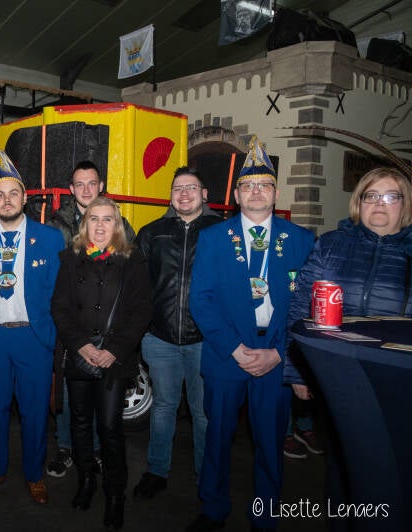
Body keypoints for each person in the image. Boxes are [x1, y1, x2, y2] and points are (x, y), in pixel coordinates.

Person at [186, 136, 314, 531]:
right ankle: (213, 508)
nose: (256, 192)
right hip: (227, 356)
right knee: (217, 438)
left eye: (264, 186)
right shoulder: (212, 238)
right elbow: (201, 300)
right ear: (237, 195)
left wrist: (280, 354)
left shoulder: (302, 241)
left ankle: (266, 513)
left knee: (270, 443)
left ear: (275, 193)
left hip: (277, 357)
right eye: (248, 186)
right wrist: (236, 350)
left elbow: (306, 308)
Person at [284, 167, 412, 506]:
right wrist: (297, 370)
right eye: (371, 196)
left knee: (396, 469)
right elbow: (300, 307)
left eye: (390, 196)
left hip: (399, 379)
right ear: (359, 203)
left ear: (405, 204)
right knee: (344, 466)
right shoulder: (330, 245)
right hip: (340, 376)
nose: (380, 204)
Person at [0, 151, 64, 504]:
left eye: (14, 194)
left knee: (35, 411)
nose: (7, 201)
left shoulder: (50, 240)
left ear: (25, 198)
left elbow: (59, 294)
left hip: (32, 337)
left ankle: (35, 475)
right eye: (1, 195)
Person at [51, 197, 152, 530]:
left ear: (117, 224)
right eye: (94, 219)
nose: (99, 225)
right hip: (80, 355)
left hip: (114, 359)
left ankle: (114, 494)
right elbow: (60, 308)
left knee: (109, 428)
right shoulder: (70, 259)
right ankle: (86, 482)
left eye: (107, 219)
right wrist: (80, 345)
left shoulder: (133, 260)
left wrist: (115, 350)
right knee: (80, 423)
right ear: (84, 224)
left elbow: (141, 312)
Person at [133, 166, 221, 499]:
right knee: (164, 407)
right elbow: (138, 287)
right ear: (170, 196)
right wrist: (142, 331)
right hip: (160, 338)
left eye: (191, 188)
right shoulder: (151, 232)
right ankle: (157, 470)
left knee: (203, 412)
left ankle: (206, 475)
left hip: (207, 340)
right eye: (177, 189)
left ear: (204, 194)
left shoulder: (222, 232)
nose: (183, 194)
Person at [46, 160, 135, 479]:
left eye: (91, 183)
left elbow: (133, 283)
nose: (86, 189)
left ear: (101, 186)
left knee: (104, 403)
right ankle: (67, 449)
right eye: (79, 184)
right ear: (71, 190)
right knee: (71, 395)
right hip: (72, 324)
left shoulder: (121, 224)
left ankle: (96, 452)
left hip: (109, 331)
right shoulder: (57, 225)